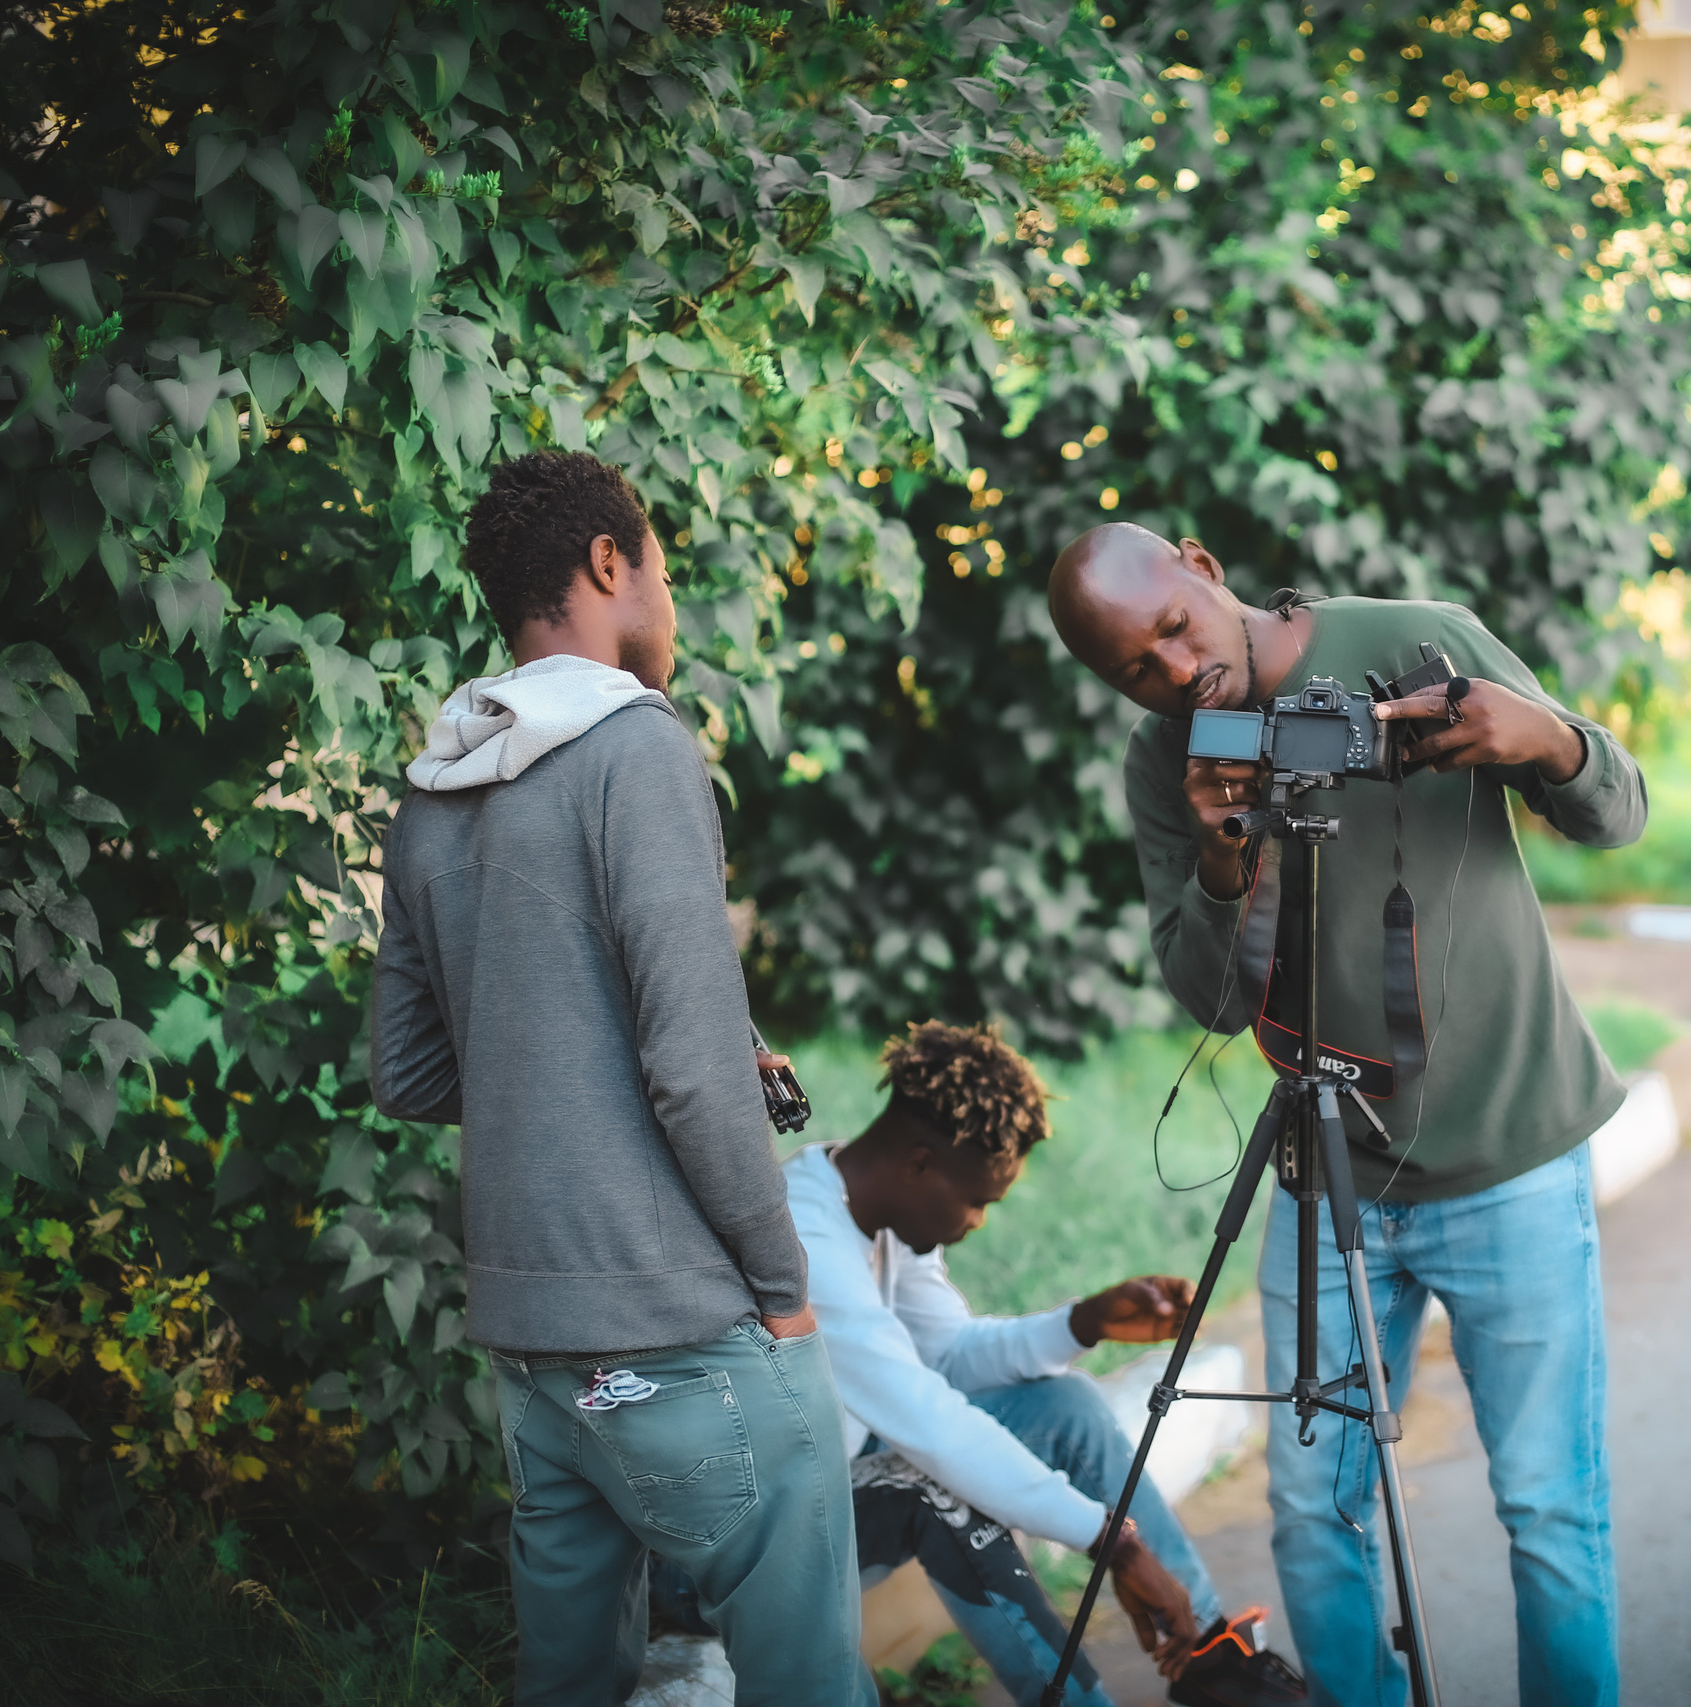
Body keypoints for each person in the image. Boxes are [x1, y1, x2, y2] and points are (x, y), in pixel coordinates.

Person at [1046, 524, 1650, 1707]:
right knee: (1312, 1513)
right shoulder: (1171, 755)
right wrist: (1223, 858)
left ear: (1203, 569)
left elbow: (1617, 815)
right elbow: (1206, 999)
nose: (1172, 673)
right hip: (1325, 1175)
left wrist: (1546, 740)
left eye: (1172, 628)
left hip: (1509, 1155)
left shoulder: (1417, 639)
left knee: (1546, 1508)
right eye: (1134, 669)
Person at [371, 450, 871, 1707]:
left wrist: (565, 1056)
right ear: (610, 564)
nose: (668, 601)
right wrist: (784, 1289)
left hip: (534, 1357)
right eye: (660, 569)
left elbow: (414, 1068)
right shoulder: (637, 747)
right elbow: (696, 1077)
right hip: (684, 1332)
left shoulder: (435, 788)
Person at [656, 1020, 1308, 1707]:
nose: (978, 1222)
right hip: (727, 1549)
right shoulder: (807, 1239)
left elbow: (949, 1355)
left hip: (832, 1479)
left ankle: (1206, 1655)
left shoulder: (875, 1212)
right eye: (976, 1200)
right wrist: (1112, 1542)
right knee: (931, 1480)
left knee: (1069, 1406)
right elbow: (932, 1423)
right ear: (919, 1162)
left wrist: (1081, 1321)